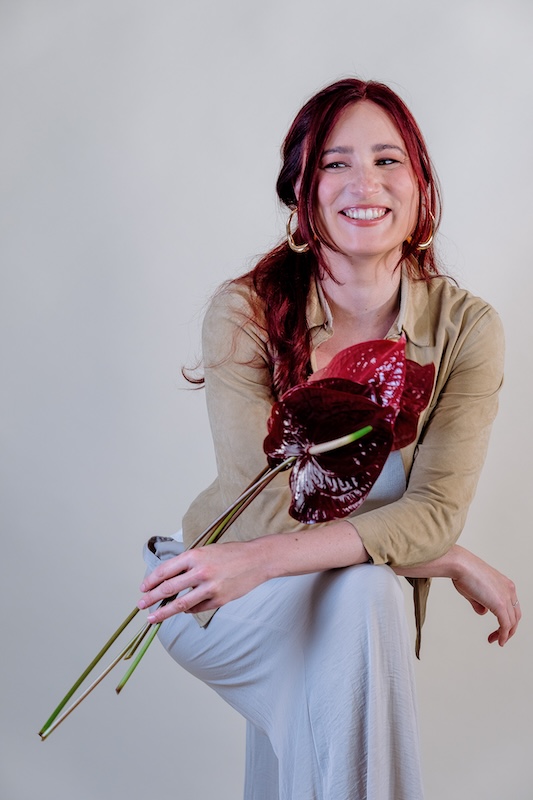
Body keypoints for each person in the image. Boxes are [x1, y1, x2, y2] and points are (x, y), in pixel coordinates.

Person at [138, 78, 521, 799]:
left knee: (361, 599)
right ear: (302, 191)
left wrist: (428, 538)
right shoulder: (247, 310)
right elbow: (267, 515)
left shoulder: (466, 328)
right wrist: (445, 556)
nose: (363, 183)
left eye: (387, 159)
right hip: (226, 594)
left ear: (420, 184)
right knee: (369, 589)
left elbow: (436, 509)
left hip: (300, 585)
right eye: (334, 163)